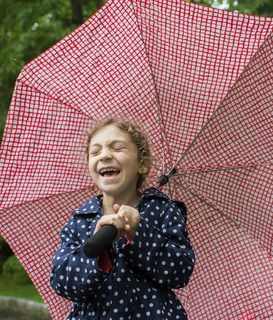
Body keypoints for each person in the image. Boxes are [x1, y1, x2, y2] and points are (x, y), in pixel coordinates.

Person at [50, 118, 195, 320]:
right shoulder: (81, 220)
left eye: (117, 148)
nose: (105, 155)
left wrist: (140, 234)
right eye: (95, 152)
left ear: (142, 164)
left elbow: (180, 271)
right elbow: (64, 283)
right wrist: (96, 248)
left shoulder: (162, 210)